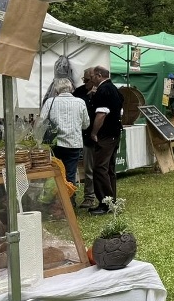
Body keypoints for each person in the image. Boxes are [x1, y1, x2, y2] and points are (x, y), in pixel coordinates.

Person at [40, 78, 90, 190]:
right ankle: (70, 201)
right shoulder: (80, 102)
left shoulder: (50, 102)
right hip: (73, 143)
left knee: (54, 173)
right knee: (70, 174)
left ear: (56, 90)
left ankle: (55, 201)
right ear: (71, 88)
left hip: (55, 143)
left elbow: (42, 122)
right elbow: (86, 124)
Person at [87, 66, 124, 215]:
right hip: (115, 132)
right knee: (109, 169)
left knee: (100, 168)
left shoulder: (103, 90)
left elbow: (101, 114)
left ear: (99, 75)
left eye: (91, 77)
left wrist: (94, 132)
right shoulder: (114, 89)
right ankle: (111, 200)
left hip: (106, 135)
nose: (90, 80)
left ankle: (105, 203)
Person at [72, 67, 98, 208]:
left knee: (101, 169)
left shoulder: (103, 90)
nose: (86, 82)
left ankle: (103, 196)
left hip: (100, 135)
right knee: (88, 169)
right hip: (85, 134)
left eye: (88, 79)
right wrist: (88, 97)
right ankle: (89, 197)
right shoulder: (80, 92)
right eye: (85, 79)